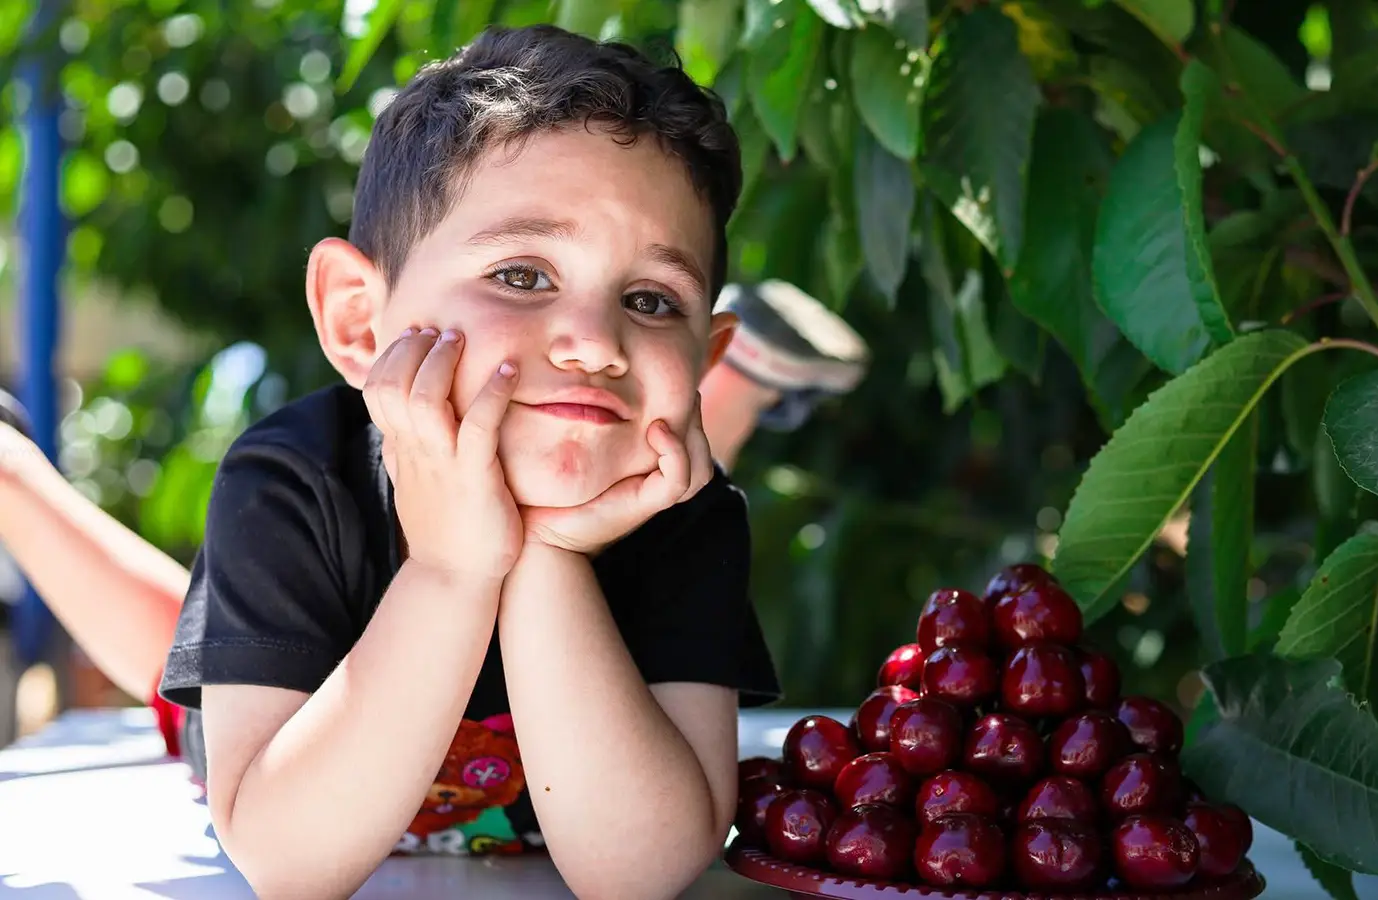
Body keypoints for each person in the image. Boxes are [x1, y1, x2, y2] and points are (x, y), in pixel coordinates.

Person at [0, 24, 869, 900]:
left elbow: (640, 873)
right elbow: (287, 861)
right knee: (170, 658)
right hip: (292, 712)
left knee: (646, 440)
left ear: (701, 357)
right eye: (523, 275)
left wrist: (546, 554)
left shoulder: (690, 517)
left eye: (650, 299)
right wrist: (453, 570)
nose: (596, 343)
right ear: (355, 320)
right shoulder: (296, 477)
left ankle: (708, 376)